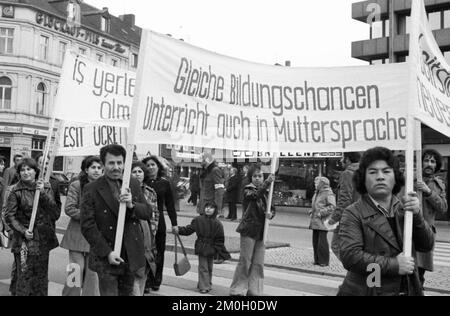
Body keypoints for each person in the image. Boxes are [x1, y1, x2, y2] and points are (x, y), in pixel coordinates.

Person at [337, 147, 435, 296]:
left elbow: (426, 245)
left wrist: (417, 216)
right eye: (373, 172)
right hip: (370, 289)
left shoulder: (404, 209)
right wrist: (395, 265)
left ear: (395, 177)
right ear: (363, 178)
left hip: (406, 288)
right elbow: (351, 257)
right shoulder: (353, 213)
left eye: (386, 171)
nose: (380, 177)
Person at [80, 145, 152, 296]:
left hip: (130, 254)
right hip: (106, 256)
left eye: (120, 163)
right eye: (111, 163)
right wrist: (107, 252)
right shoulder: (91, 189)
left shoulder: (132, 183)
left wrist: (132, 205)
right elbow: (87, 226)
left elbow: (147, 212)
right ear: (103, 164)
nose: (116, 167)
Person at [5, 158, 61, 296]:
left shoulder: (45, 188)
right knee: (24, 277)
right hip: (24, 241)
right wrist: (23, 231)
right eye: (22, 170)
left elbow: (54, 213)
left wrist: (42, 193)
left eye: (29, 169)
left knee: (40, 278)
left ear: (36, 171)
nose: (25, 172)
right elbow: (9, 216)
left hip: (42, 240)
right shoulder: (15, 191)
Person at [230, 164, 276, 296]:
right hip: (249, 229)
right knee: (245, 261)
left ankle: (254, 290)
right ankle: (237, 290)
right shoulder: (247, 189)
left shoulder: (268, 191)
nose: (257, 178)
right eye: (255, 176)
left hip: (262, 230)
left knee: (258, 263)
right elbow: (255, 195)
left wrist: (271, 214)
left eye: (260, 176)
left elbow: (272, 208)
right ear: (251, 178)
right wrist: (267, 183)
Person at [61, 156, 103, 296]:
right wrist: (90, 216)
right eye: (93, 167)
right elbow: (69, 208)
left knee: (93, 274)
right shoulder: (77, 185)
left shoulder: (106, 187)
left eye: (99, 168)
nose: (96, 171)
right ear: (86, 169)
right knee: (75, 270)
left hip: (96, 236)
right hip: (76, 234)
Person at [178, 202, 231, 294]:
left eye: (211, 208)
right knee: (203, 267)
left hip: (212, 247)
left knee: (209, 267)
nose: (208, 209)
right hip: (202, 246)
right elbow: (188, 229)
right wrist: (178, 230)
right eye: (207, 207)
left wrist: (219, 250)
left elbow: (220, 239)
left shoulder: (218, 223)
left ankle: (206, 283)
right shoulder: (198, 220)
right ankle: (204, 286)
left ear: (215, 210)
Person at [143, 156, 178, 292]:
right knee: (146, 251)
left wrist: (174, 224)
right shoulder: (141, 182)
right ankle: (146, 280)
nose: (150, 167)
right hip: (145, 221)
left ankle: (157, 279)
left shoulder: (164, 183)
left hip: (160, 221)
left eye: (153, 164)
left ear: (158, 167)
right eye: (148, 165)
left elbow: (170, 205)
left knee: (159, 251)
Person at [415, 149, 448, 288]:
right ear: (420, 162)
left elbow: (443, 208)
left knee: (419, 274)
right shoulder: (410, 178)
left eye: (432, 161)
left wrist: (428, 191)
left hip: (425, 233)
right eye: (426, 160)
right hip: (406, 231)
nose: (429, 164)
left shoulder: (438, 184)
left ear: (436, 165)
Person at [130, 161, 159, 296]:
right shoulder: (126, 190)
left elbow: (154, 214)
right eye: (134, 172)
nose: (137, 174)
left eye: (140, 171)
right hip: (133, 232)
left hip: (147, 233)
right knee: (135, 274)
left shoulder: (150, 192)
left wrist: (152, 231)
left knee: (145, 271)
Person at [328, 152, 361, 261]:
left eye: (342, 158)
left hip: (349, 217)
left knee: (336, 245)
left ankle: (356, 272)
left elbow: (345, 199)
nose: (341, 161)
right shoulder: (365, 173)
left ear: (348, 159)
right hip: (363, 216)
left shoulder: (348, 174)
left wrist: (334, 218)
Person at [308, 176, 336, 267]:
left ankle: (324, 261)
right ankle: (317, 260)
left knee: (322, 242)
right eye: (315, 183)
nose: (315, 184)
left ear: (322, 184)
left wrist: (321, 212)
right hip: (315, 220)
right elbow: (317, 205)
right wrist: (312, 211)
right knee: (315, 242)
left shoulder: (328, 193)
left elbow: (332, 206)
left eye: (317, 183)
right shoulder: (317, 193)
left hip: (322, 221)